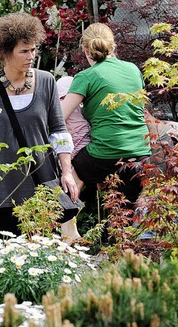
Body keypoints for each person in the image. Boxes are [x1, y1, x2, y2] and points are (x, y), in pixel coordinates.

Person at [0, 12, 80, 239]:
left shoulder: (46, 82)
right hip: (2, 189)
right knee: (7, 257)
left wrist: (67, 172)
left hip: (41, 188)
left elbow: (59, 131)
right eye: (24, 51)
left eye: (33, 49)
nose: (31, 56)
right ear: (5, 53)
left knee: (40, 256)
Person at [60, 22, 151, 206]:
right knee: (124, 212)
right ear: (113, 45)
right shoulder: (133, 69)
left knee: (68, 168)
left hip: (104, 155)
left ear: (85, 49)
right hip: (141, 153)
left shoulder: (85, 77)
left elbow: (59, 118)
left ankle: (65, 225)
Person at [56, 75, 90, 190]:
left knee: (62, 159)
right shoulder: (82, 105)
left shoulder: (61, 106)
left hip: (73, 142)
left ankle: (76, 181)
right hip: (87, 140)